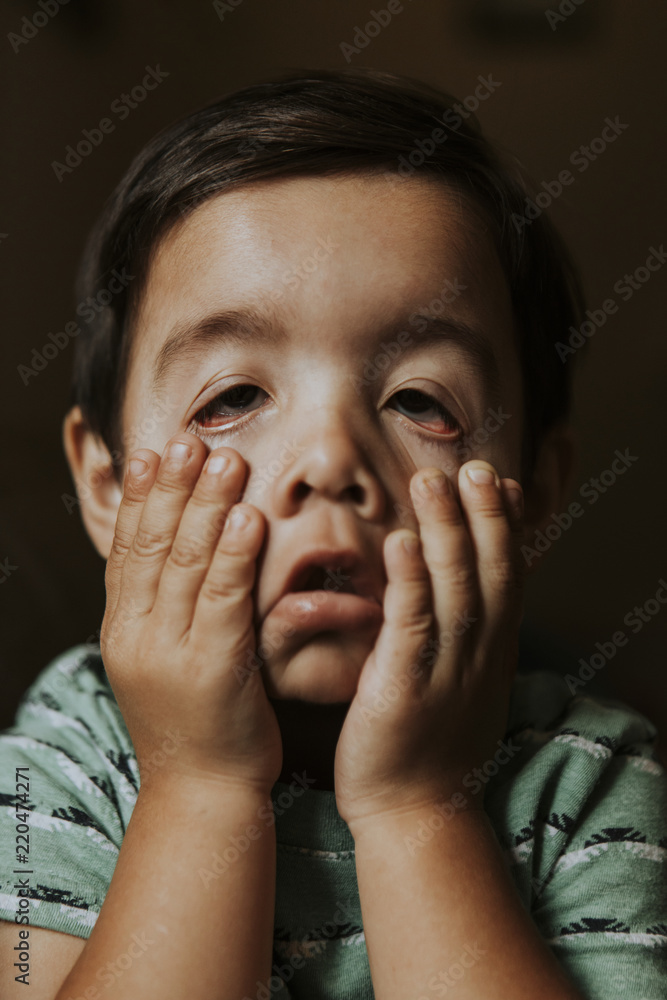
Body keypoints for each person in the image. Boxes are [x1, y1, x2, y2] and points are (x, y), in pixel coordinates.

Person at [0, 67, 665, 1000]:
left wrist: (421, 807)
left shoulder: (589, 780)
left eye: (420, 403)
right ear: (106, 485)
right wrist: (197, 787)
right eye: (232, 397)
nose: (329, 460)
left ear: (535, 493)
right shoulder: (61, 762)